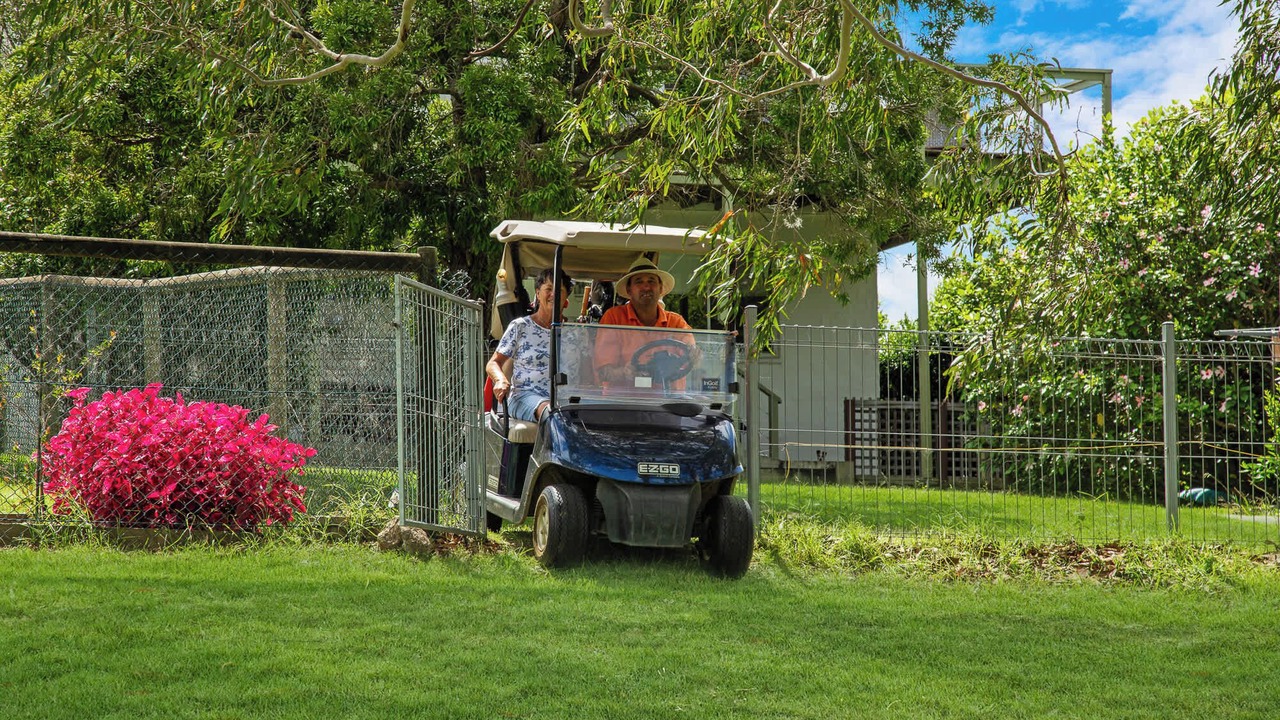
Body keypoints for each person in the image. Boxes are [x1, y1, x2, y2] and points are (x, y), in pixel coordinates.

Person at [486, 267, 573, 421]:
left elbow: (589, 373)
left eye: (559, 290)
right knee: (553, 414)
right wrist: (500, 379)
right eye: (548, 289)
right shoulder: (520, 326)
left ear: (566, 297)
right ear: (538, 294)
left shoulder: (576, 333)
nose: (554, 294)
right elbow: (494, 363)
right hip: (526, 396)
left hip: (568, 400)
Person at [594, 257, 694, 388]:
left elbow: (691, 353)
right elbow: (603, 371)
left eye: (651, 281)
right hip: (624, 403)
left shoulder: (676, 322)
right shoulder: (613, 318)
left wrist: (694, 354)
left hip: (668, 403)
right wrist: (624, 372)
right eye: (639, 282)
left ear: (661, 288)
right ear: (629, 290)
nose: (646, 286)